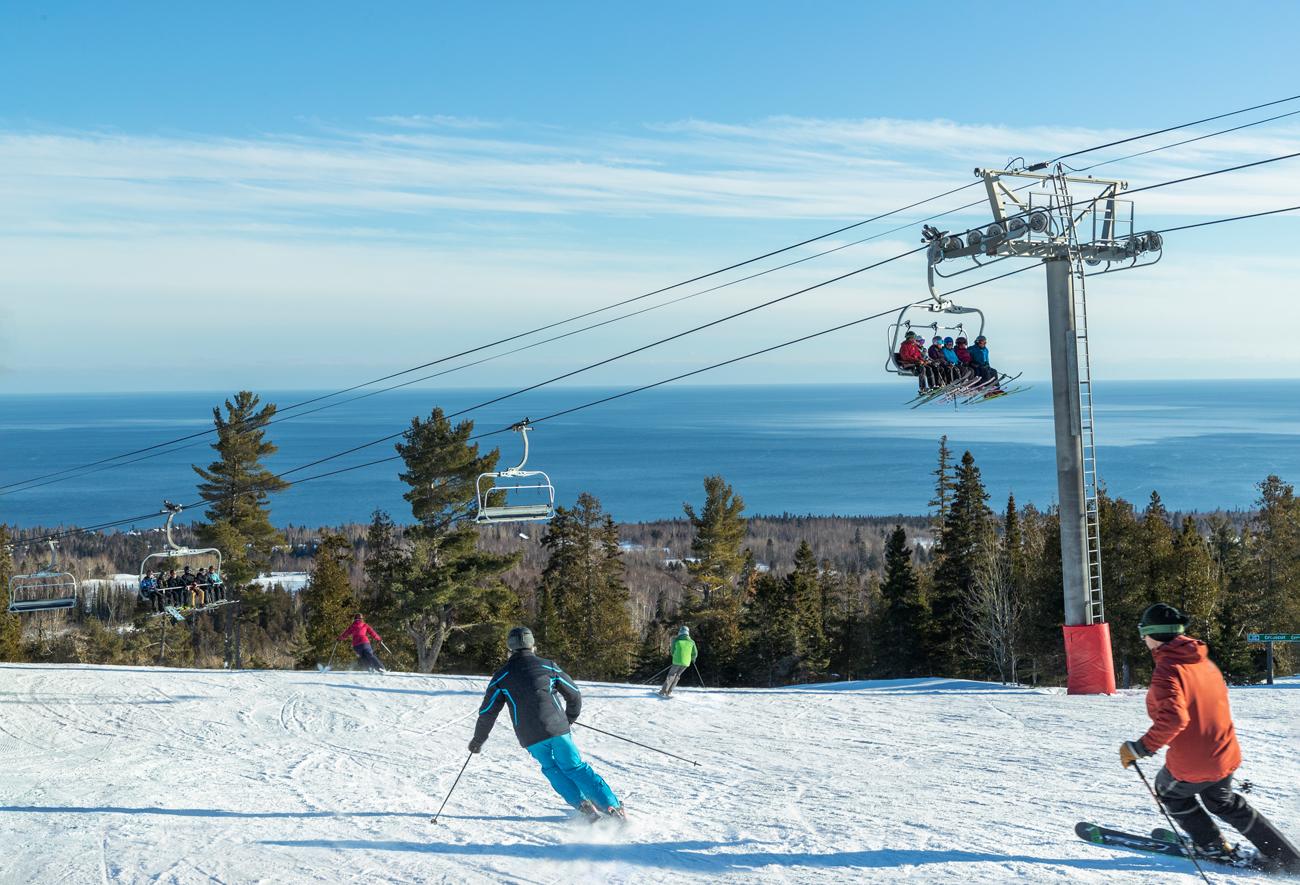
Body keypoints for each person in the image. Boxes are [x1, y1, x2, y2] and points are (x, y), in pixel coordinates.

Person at [1119, 603, 1300, 871]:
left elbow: (1174, 719)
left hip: (1196, 761)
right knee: (1223, 802)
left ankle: (1213, 847)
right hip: (1224, 753)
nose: (1143, 639)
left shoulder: (1167, 671)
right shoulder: (1202, 662)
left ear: (1153, 635)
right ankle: (1289, 858)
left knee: (1169, 791)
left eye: (1143, 633)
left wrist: (1141, 748)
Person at [470, 626, 624, 822]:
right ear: (533, 645)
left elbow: (487, 712)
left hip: (530, 736)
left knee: (551, 768)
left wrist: (478, 739)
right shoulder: (547, 666)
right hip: (557, 729)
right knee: (574, 767)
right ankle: (611, 806)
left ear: (509, 649)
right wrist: (568, 719)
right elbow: (574, 694)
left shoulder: (501, 677)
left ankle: (584, 806)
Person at [659, 626, 698, 697]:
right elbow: (695, 653)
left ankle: (663, 691)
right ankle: (669, 691)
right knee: (677, 676)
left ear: (680, 632)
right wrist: (693, 659)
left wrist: (675, 656)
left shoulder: (676, 640)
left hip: (677, 661)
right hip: (686, 662)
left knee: (671, 675)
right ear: (688, 633)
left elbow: (672, 651)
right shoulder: (692, 642)